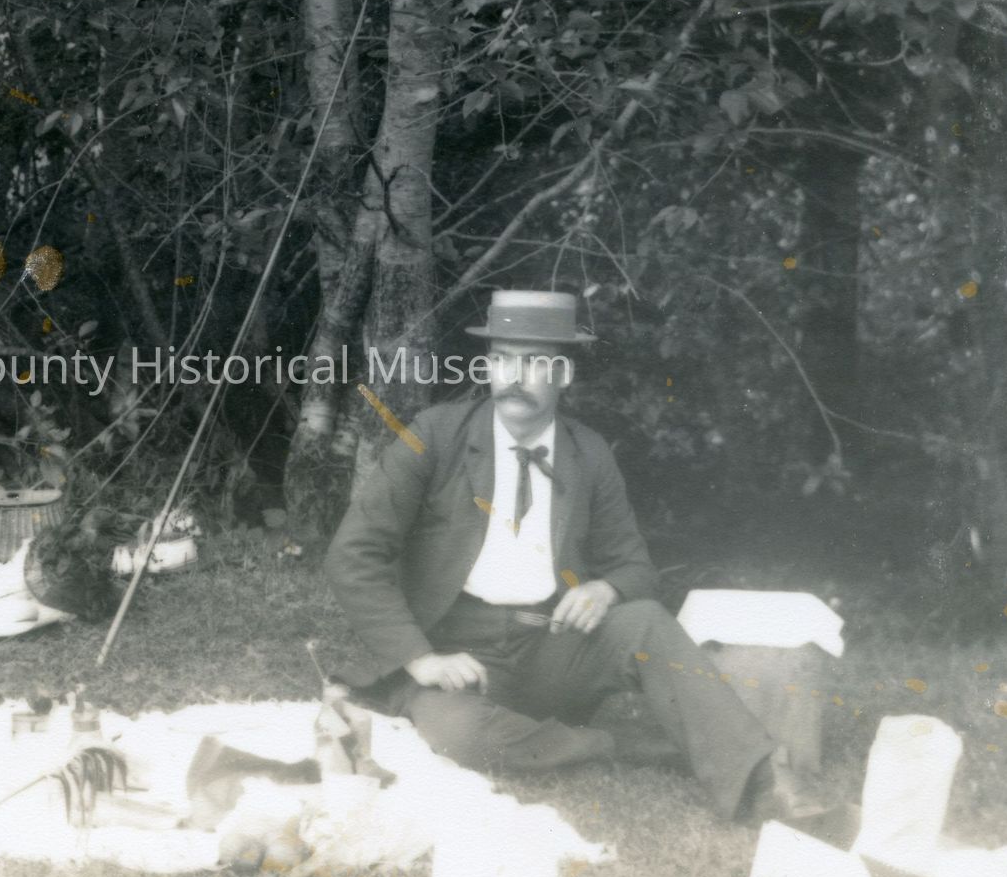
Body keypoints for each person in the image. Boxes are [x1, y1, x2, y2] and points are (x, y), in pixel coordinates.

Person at [324, 290, 817, 823]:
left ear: (564, 375)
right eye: (503, 359)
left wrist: (606, 589)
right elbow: (354, 555)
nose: (515, 376)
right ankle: (623, 746)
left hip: (550, 647)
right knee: (458, 736)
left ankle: (761, 781)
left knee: (646, 623)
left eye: (535, 362)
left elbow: (635, 566)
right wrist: (421, 659)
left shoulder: (589, 453)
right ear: (487, 367)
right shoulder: (435, 437)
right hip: (455, 653)